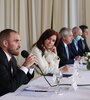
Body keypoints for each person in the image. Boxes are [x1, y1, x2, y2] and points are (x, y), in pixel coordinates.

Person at [0, 29, 37, 96]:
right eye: (16, 41)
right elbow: (10, 87)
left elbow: (22, 80)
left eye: (20, 41)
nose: (20, 46)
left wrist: (30, 67)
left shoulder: (12, 59)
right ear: (5, 43)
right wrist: (25, 66)